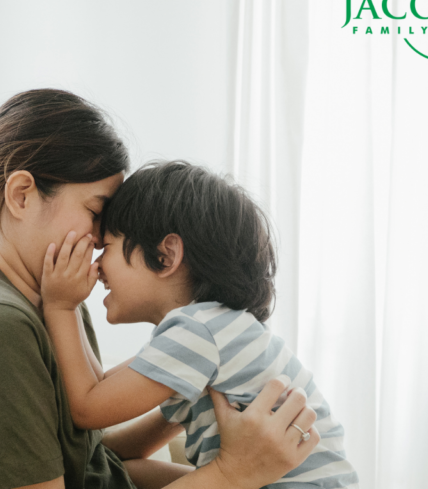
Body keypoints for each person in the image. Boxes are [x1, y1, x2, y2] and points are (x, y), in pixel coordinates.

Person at [0, 89, 320, 489]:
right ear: (21, 196)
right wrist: (233, 474)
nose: (99, 239)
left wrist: (188, 392)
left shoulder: (56, 301)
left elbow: (90, 459)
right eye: (96, 212)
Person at [40, 161, 358, 489]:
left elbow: (88, 409)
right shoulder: (214, 329)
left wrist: (61, 306)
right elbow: (101, 391)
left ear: (165, 256)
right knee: (126, 472)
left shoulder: (198, 333)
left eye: (106, 248)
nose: (97, 265)